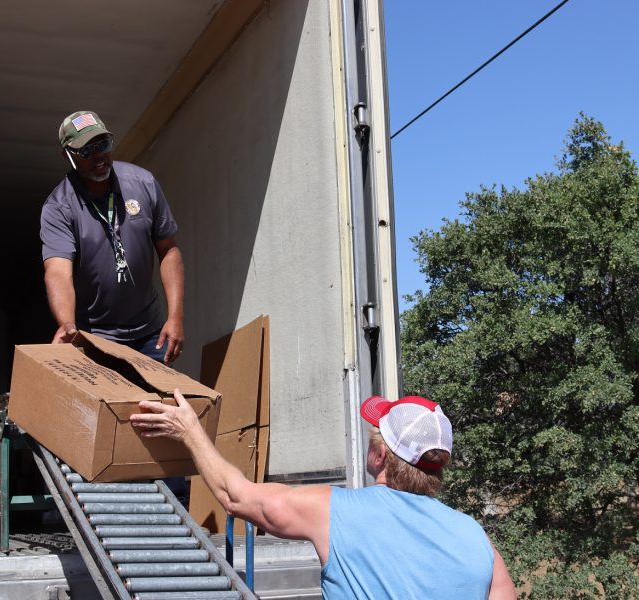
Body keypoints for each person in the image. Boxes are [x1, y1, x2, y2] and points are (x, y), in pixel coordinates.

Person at [130, 391, 517, 599]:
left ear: (381, 455)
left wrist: (189, 431)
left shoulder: (339, 512)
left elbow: (236, 497)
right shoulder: (477, 539)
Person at [41, 110, 185, 365]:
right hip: (97, 337)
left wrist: (175, 317)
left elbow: (169, 250)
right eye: (86, 151)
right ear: (68, 156)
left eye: (103, 144)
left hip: (150, 333)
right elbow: (58, 272)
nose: (98, 155)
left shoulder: (143, 183)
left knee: (159, 403)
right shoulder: (59, 207)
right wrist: (66, 323)